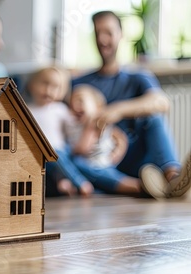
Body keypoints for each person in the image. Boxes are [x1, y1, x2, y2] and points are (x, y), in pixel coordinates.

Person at [72, 10, 189, 197]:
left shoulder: (137, 76)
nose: (102, 39)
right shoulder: (80, 84)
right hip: (100, 160)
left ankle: (173, 178)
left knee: (153, 117)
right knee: (73, 160)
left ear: (120, 34)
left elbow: (161, 102)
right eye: (98, 33)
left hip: (138, 157)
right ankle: (141, 187)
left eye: (108, 33)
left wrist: (117, 110)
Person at [27, 66, 94, 197]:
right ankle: (66, 183)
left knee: (58, 156)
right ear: (32, 85)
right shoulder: (26, 109)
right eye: (44, 83)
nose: (48, 90)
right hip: (38, 155)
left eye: (55, 87)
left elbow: (74, 127)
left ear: (62, 92)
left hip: (60, 152)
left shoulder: (60, 109)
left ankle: (76, 182)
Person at [66, 84, 141, 195]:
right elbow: (82, 149)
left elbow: (120, 138)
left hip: (106, 163)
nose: (75, 106)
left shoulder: (103, 123)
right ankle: (135, 186)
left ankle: (136, 186)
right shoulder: (74, 128)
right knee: (76, 163)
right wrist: (89, 127)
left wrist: (117, 153)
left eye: (80, 101)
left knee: (91, 170)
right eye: (72, 104)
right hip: (90, 166)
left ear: (98, 106)